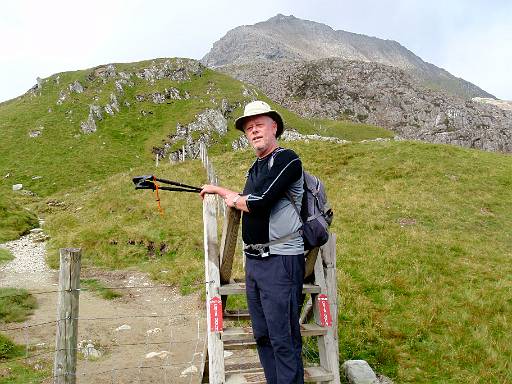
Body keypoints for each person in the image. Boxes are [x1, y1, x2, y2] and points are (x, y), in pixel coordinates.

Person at [200, 100, 305, 383]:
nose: (254, 131)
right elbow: (247, 198)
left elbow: (261, 202)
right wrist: (220, 191)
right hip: (256, 262)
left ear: (275, 127)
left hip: (281, 260)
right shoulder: (256, 168)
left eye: (259, 125)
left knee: (283, 337)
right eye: (249, 128)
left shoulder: (288, 160)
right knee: (262, 334)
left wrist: (234, 198)